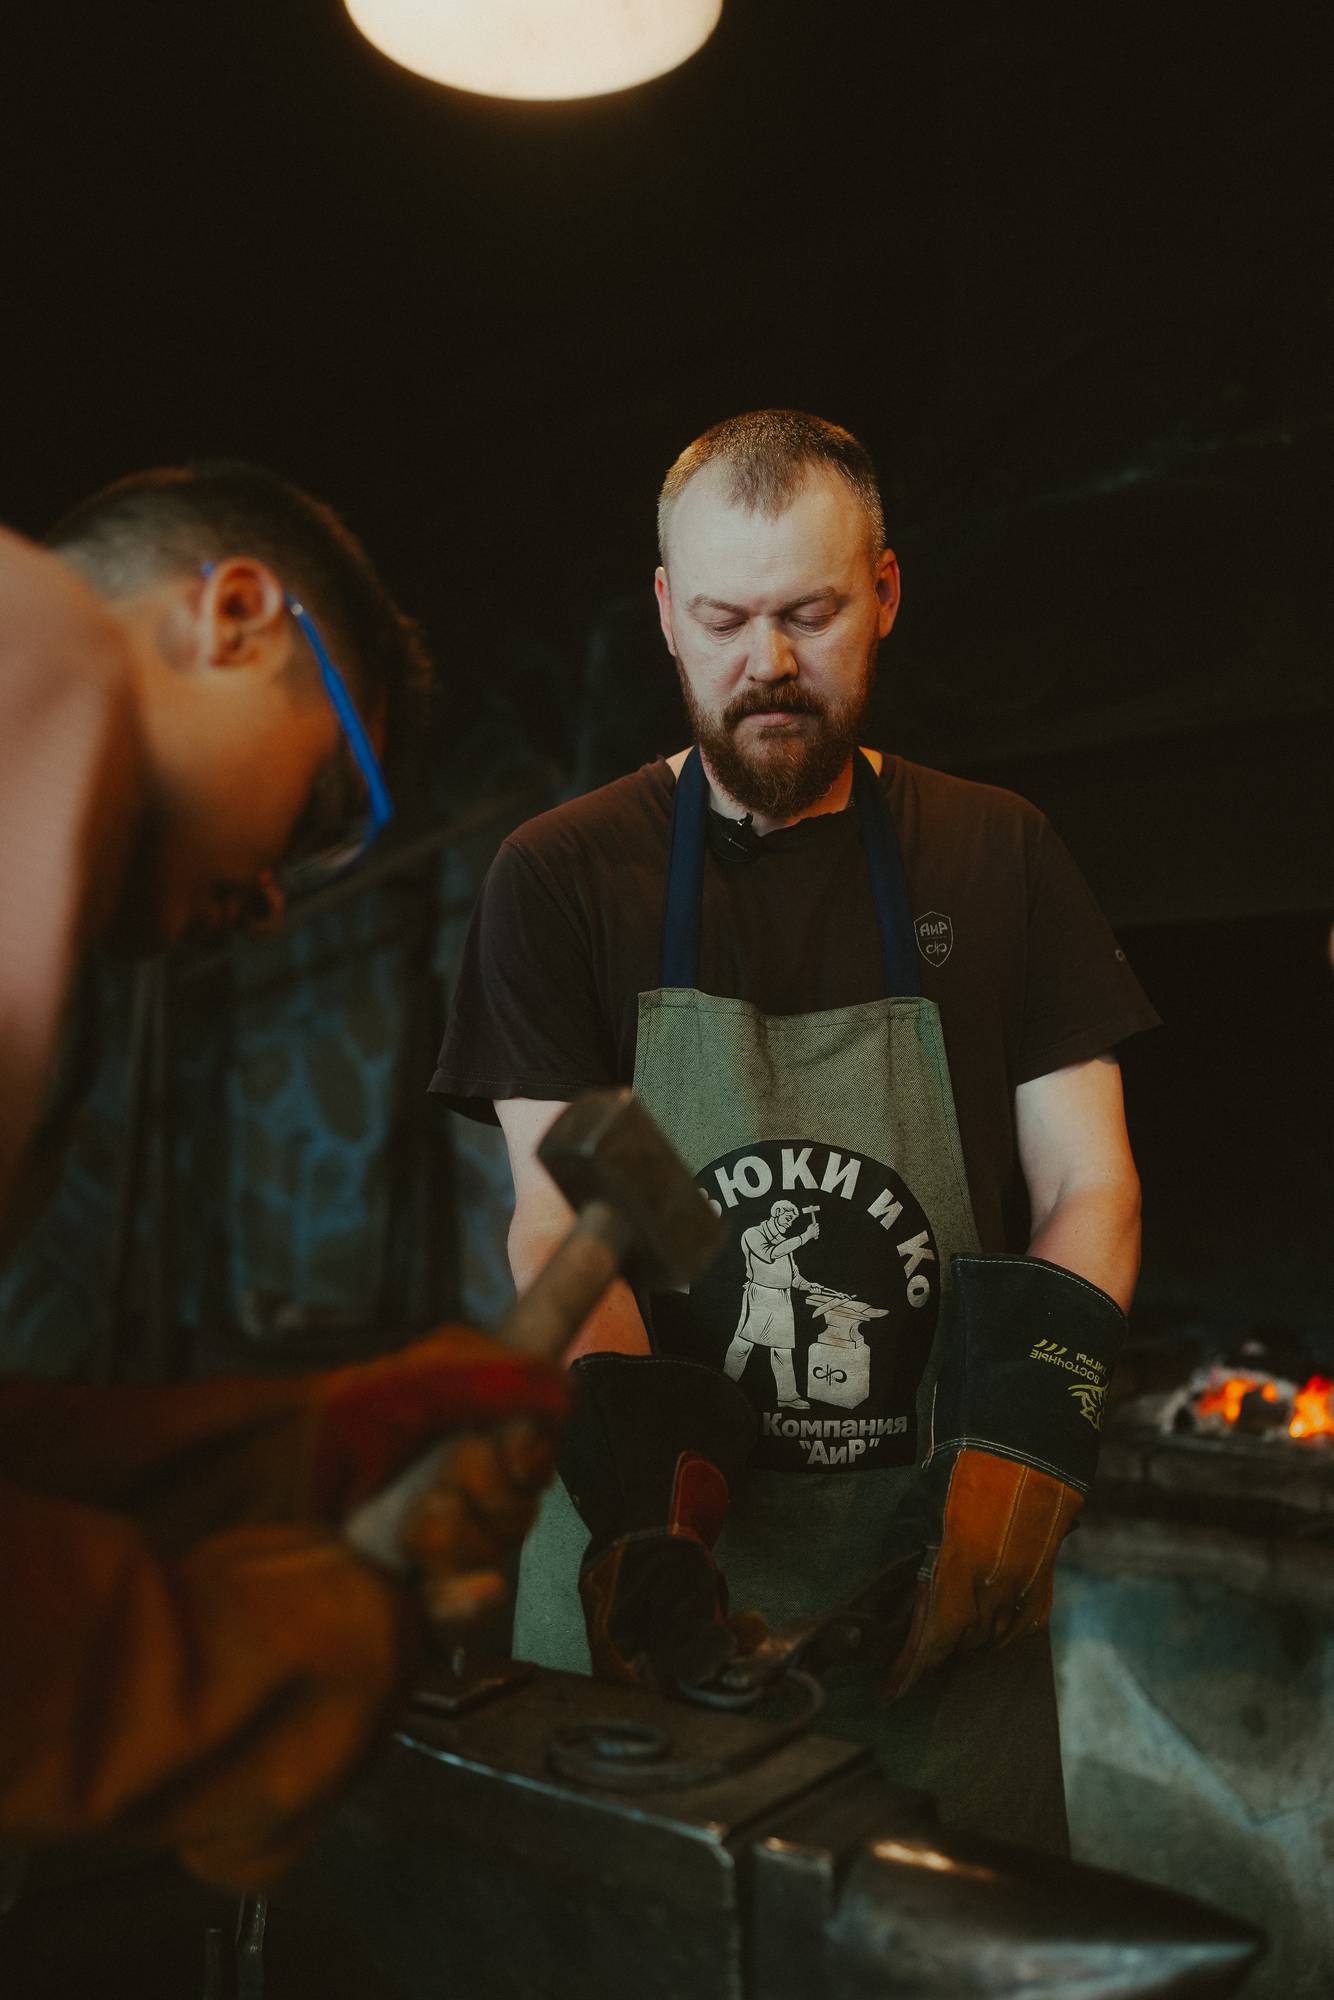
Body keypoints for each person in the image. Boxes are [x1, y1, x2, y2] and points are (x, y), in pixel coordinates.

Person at [430, 409, 1159, 1854]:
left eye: (808, 616)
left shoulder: (995, 853)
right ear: (665, 614)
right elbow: (566, 1215)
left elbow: (1088, 1181)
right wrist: (643, 1525)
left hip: (930, 1571)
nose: (764, 662)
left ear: (883, 593)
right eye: (722, 621)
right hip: (643, 1576)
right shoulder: (563, 878)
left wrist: (1026, 1439)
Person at [0, 463, 566, 1893]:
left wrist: (286, 1447)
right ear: (236, 619)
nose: (270, 901)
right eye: (323, 811)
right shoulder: (36, 664)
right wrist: (223, 1675)